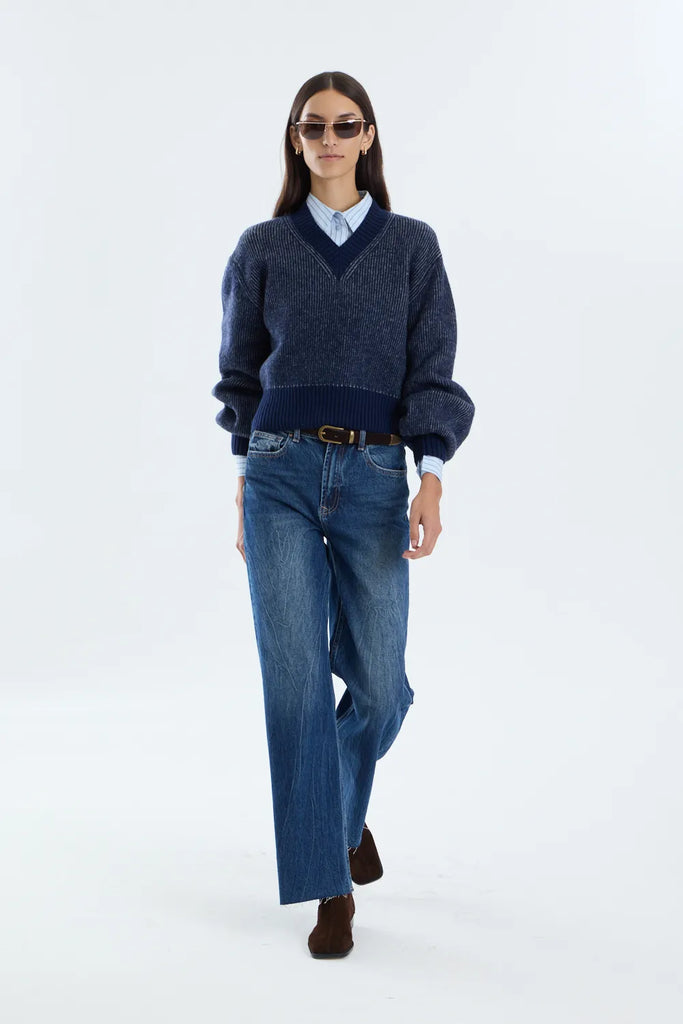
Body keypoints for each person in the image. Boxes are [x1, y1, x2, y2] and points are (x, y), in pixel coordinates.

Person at [211, 70, 475, 959]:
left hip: (373, 475)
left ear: (368, 136)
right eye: (312, 125)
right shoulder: (261, 247)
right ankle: (332, 885)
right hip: (278, 472)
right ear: (295, 138)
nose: (328, 139)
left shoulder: (410, 246)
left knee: (382, 688)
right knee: (293, 688)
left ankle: (341, 815)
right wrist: (243, 480)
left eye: (344, 124)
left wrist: (430, 475)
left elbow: (432, 367)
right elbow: (239, 376)